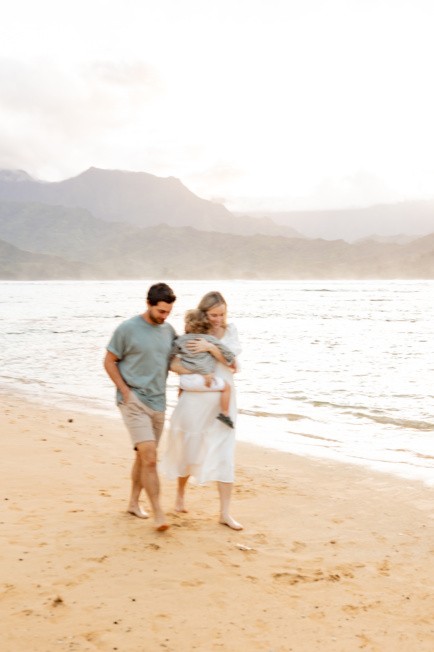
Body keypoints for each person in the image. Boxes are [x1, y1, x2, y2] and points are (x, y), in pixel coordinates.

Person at [161, 291, 243, 530]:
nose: (217, 319)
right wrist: (194, 374)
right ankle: (180, 495)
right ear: (203, 313)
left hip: (222, 402)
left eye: (221, 314)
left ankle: (225, 513)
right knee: (189, 447)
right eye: (213, 314)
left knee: (225, 452)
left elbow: (233, 366)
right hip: (195, 399)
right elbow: (174, 363)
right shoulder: (191, 333)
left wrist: (211, 348)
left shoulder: (230, 331)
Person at [104, 282, 177, 531]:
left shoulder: (169, 331)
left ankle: (133, 503)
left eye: (168, 312)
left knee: (142, 457)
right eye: (160, 311)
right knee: (149, 457)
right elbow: (109, 360)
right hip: (134, 401)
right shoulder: (127, 329)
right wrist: (125, 391)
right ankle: (159, 513)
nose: (164, 316)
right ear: (149, 304)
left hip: (158, 402)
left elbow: (176, 362)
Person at [173, 308, 235, 429]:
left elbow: (171, 355)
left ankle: (181, 408)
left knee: (180, 389)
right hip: (205, 381)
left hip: (186, 382)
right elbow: (229, 356)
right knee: (227, 387)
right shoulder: (209, 339)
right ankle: (225, 414)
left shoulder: (180, 340)